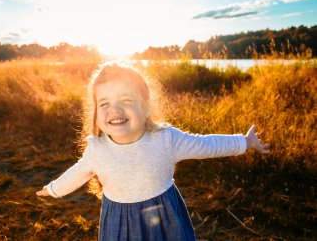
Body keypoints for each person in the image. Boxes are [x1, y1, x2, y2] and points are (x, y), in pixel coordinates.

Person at [36, 63, 270, 241]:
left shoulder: (165, 139)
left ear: (146, 106)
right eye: (104, 103)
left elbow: (205, 144)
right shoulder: (98, 149)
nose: (114, 109)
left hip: (164, 217)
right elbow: (77, 173)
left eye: (126, 99)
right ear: (96, 111)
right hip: (119, 222)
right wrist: (53, 189)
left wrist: (244, 142)